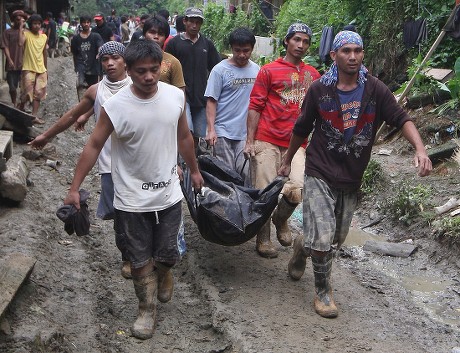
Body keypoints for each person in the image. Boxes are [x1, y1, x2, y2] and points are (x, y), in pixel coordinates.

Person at [279, 30, 432, 318]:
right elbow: (302, 128)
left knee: (333, 238)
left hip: (351, 177)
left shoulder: (375, 89)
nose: (352, 56)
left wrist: (420, 150)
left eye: (357, 51)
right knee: (323, 240)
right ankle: (323, 293)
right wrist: (288, 160)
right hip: (319, 170)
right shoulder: (319, 90)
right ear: (334, 55)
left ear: (363, 54)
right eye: (346, 51)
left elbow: (401, 119)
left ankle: (302, 247)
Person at [63, 39, 203, 340]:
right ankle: (146, 309)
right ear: (129, 69)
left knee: (167, 253)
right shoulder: (115, 106)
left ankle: (164, 273)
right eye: (141, 72)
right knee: (139, 261)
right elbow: (93, 145)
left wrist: (194, 170)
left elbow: (185, 137)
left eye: (154, 70)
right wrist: (74, 188)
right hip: (130, 197)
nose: (149, 77)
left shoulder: (174, 98)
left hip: (167, 193)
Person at [30, 41, 133, 278]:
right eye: (105, 60)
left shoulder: (137, 86)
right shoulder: (96, 91)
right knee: (120, 213)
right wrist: (46, 135)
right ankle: (128, 256)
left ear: (125, 61)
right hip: (109, 164)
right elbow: (71, 115)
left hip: (139, 162)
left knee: (142, 211)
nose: (109, 63)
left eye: (115, 58)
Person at [244, 23, 320, 258]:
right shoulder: (269, 70)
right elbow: (255, 106)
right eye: (296, 39)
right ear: (287, 41)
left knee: (296, 188)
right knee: (264, 192)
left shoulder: (313, 75)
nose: (301, 45)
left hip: (296, 143)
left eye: (306, 41)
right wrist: (250, 141)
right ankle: (263, 239)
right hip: (266, 138)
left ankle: (281, 218)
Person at [204, 27, 259, 184]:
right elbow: (211, 101)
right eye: (238, 50)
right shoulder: (220, 70)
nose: (242, 55)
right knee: (226, 177)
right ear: (231, 48)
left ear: (252, 49)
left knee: (246, 176)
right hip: (223, 133)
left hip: (245, 135)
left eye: (246, 51)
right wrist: (211, 130)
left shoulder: (257, 71)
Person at [165, 7, 221, 150]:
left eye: (198, 22)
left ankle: (192, 164)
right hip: (181, 95)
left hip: (201, 97)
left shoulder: (206, 44)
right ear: (185, 21)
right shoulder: (174, 43)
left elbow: (216, 67)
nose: (194, 26)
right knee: (186, 131)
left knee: (199, 134)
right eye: (192, 22)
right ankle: (183, 163)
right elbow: (166, 67)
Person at [18, 13, 48, 124]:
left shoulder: (44, 37)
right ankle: (20, 109)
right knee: (26, 94)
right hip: (28, 68)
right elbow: (20, 43)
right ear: (30, 25)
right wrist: (21, 27)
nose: (37, 26)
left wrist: (46, 69)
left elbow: (44, 54)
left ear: (41, 25)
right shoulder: (26, 34)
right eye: (34, 23)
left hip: (41, 69)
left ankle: (34, 116)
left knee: (38, 94)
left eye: (39, 24)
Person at [142, 15, 185, 89]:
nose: (156, 36)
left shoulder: (173, 62)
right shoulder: (134, 59)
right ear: (144, 34)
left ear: (165, 38)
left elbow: (180, 93)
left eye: (160, 34)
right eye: (152, 32)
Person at [70, 15, 103, 101]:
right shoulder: (76, 39)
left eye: (88, 22)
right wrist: (76, 66)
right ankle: (82, 106)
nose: (86, 24)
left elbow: (100, 46)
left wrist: (99, 53)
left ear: (90, 23)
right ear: (81, 24)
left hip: (93, 66)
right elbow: (74, 53)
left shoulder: (95, 36)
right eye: (84, 22)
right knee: (80, 86)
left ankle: (93, 108)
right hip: (81, 66)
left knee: (94, 89)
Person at [1, 10, 27, 106]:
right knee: (12, 87)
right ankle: (14, 103)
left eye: (21, 20)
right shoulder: (7, 32)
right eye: (17, 20)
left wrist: (21, 28)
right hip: (11, 64)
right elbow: (5, 47)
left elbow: (22, 44)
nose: (19, 22)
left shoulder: (25, 33)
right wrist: (9, 59)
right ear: (13, 20)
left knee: (23, 87)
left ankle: (22, 105)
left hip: (23, 63)